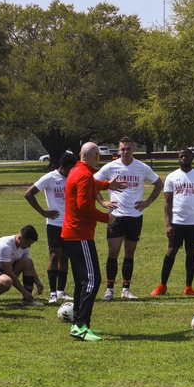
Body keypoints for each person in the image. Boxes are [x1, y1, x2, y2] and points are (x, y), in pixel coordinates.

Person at [63, 142, 124, 341]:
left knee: (83, 281)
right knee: (92, 280)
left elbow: (91, 185)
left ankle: (78, 324)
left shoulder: (77, 171)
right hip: (79, 235)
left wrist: (107, 185)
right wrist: (106, 218)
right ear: (97, 156)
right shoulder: (84, 175)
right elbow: (82, 205)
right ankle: (80, 326)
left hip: (72, 235)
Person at [95, 137, 163, 300]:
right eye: (122, 149)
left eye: (128, 148)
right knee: (113, 252)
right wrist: (103, 201)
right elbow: (92, 183)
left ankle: (126, 289)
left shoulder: (142, 167)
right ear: (118, 150)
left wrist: (148, 201)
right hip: (116, 216)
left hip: (135, 216)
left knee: (129, 252)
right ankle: (109, 289)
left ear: (133, 150)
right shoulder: (111, 167)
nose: (125, 151)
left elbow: (159, 184)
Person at [152, 149, 194, 297]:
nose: (184, 158)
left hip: (193, 224)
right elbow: (167, 202)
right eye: (181, 156)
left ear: (193, 157)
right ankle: (162, 285)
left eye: (187, 155)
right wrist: (168, 224)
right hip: (176, 222)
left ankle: (189, 287)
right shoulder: (172, 177)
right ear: (178, 158)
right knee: (171, 251)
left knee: (191, 252)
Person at [24, 152, 78, 303]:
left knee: (65, 256)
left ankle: (61, 291)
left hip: (70, 224)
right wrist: (43, 212)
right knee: (54, 255)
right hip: (55, 224)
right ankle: (52, 293)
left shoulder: (73, 178)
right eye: (70, 169)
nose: (72, 172)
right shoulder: (50, 178)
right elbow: (28, 194)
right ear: (62, 167)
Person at [0, 226, 45, 306]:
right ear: (19, 238)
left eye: (30, 244)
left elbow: (29, 266)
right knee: (6, 282)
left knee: (27, 262)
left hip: (5, 270)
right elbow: (8, 272)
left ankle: (27, 300)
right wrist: (23, 291)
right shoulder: (5, 246)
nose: (28, 246)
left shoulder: (25, 247)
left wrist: (38, 282)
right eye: (27, 243)